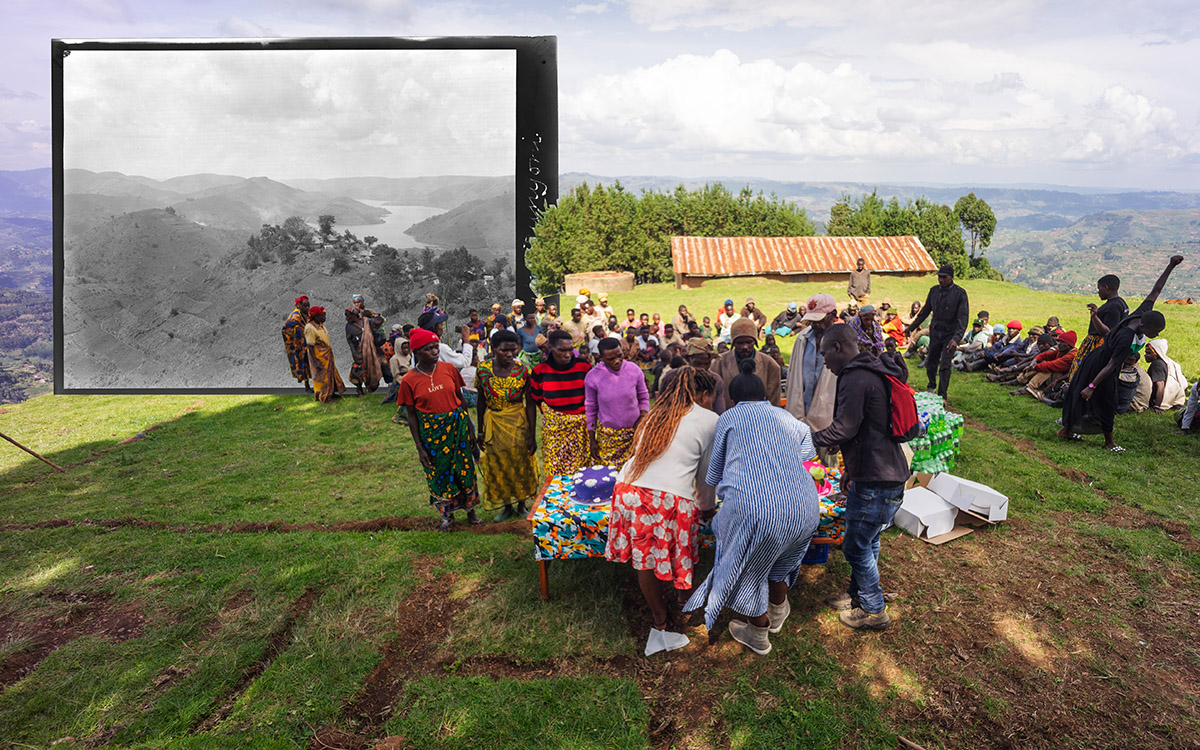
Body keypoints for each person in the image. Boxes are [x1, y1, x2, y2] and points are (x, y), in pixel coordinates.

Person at [683, 358, 820, 655]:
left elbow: (714, 473)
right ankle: (779, 609)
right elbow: (807, 454)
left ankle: (758, 632)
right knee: (782, 559)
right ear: (766, 396)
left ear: (732, 399)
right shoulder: (788, 419)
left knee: (749, 568)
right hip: (806, 505)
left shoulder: (729, 419)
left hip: (756, 510)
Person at [607, 366, 719, 656]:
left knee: (644, 561)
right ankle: (683, 605)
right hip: (666, 497)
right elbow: (706, 476)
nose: (712, 404)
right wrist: (706, 508)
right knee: (681, 550)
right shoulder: (709, 419)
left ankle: (659, 620)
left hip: (627, 490)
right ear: (703, 394)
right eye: (712, 398)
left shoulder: (654, 415)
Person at [812, 325, 909, 631]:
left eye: (825, 352)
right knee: (870, 540)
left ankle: (873, 609)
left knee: (855, 546)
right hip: (885, 473)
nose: (824, 360)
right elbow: (866, 429)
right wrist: (849, 471)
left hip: (876, 479)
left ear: (838, 347)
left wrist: (805, 437)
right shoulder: (872, 370)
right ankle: (858, 595)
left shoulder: (855, 377)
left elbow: (845, 428)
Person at [1059, 255, 1184, 452]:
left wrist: (1170, 266)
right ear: (1146, 326)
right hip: (1102, 365)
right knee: (1107, 401)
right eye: (1156, 332)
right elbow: (1111, 365)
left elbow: (1156, 290)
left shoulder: (1141, 313)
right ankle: (1109, 443)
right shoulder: (1127, 338)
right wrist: (1092, 385)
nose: (1156, 335)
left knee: (1090, 395)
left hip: (1099, 359)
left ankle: (1067, 430)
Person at [398, 328, 482, 531]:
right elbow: (411, 416)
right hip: (433, 436)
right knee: (440, 474)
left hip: (458, 429)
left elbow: (461, 401)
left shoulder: (449, 369)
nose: (435, 351)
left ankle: (471, 512)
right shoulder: (409, 380)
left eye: (436, 347)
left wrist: (471, 430)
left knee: (465, 469)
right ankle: (448, 516)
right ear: (417, 352)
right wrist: (419, 447)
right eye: (429, 349)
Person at [476, 330, 540, 522]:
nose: (510, 354)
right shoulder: (483, 370)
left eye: (513, 350)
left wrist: (531, 434)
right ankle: (506, 505)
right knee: (499, 462)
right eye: (505, 350)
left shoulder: (523, 371)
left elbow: (530, 404)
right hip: (493, 422)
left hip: (517, 422)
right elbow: (480, 401)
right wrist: (480, 430)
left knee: (519, 462)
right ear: (494, 349)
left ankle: (521, 503)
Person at [532, 329, 593, 477]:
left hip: (581, 433)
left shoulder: (584, 367)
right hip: (554, 433)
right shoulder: (540, 372)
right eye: (562, 350)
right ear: (551, 349)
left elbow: (593, 399)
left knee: (581, 476)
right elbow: (537, 401)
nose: (567, 354)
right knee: (555, 476)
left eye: (570, 350)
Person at [785, 294, 840, 454]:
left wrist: (838, 431)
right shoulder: (802, 338)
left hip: (827, 424)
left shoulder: (842, 344)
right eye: (812, 320)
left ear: (833, 316)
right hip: (799, 420)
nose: (815, 324)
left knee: (827, 474)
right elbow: (793, 379)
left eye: (820, 319)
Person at [905, 264, 970, 399]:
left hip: (950, 335)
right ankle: (931, 386)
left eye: (944, 277)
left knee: (945, 365)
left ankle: (942, 395)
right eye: (939, 277)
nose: (941, 280)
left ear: (951, 277)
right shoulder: (934, 291)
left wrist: (956, 339)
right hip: (935, 332)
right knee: (931, 362)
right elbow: (924, 312)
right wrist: (911, 328)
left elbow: (963, 320)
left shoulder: (960, 294)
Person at [585, 337, 649, 465]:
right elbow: (591, 409)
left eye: (620, 356)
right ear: (601, 358)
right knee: (611, 479)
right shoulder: (593, 377)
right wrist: (592, 440)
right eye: (610, 359)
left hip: (635, 434)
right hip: (609, 438)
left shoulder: (634, 370)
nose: (617, 361)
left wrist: (642, 417)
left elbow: (644, 397)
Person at [1070, 275, 1128, 384]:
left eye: (1099, 288)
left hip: (1097, 344)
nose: (1098, 292)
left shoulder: (1113, 306)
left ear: (1106, 288)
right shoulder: (1121, 303)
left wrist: (1094, 317)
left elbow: (1107, 332)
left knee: (1081, 372)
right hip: (1101, 344)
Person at [713, 318, 782, 407]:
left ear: (755, 342)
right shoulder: (719, 363)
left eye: (749, 342)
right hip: (728, 417)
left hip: (760, 417)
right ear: (733, 343)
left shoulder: (770, 365)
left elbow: (774, 400)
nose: (745, 347)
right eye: (739, 343)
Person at [658, 337, 728, 415]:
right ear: (688, 359)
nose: (702, 369)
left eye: (706, 364)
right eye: (697, 364)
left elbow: (719, 412)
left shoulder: (716, 380)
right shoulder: (672, 377)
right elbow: (659, 407)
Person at [1009, 331, 1077, 398]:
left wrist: (1033, 366)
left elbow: (1051, 365)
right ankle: (1020, 380)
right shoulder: (1061, 350)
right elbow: (1043, 355)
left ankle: (1029, 387)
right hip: (1056, 375)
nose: (1059, 344)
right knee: (1042, 364)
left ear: (1069, 344)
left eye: (1062, 342)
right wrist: (1034, 361)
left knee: (1047, 368)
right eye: (1059, 341)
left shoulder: (1071, 355)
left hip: (1063, 379)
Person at [303, 306, 345, 402]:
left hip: (326, 355)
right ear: (315, 317)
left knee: (330, 374)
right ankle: (324, 397)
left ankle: (331, 393)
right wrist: (315, 361)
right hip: (319, 356)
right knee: (322, 377)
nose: (324, 318)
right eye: (322, 316)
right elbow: (310, 346)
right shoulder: (310, 328)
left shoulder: (320, 325)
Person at [1145, 338, 1189, 412]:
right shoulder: (1169, 362)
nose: (1146, 355)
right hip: (1174, 399)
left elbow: (1160, 385)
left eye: (1149, 353)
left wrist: (1157, 406)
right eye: (1146, 353)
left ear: (1157, 353)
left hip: (1160, 400)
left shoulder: (1156, 364)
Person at [282, 295, 311, 392]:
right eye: (305, 306)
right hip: (297, 344)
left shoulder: (305, 314)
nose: (307, 308)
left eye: (308, 306)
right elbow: (288, 329)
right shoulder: (294, 318)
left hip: (305, 341)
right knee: (304, 362)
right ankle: (307, 386)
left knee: (308, 363)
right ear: (299, 306)